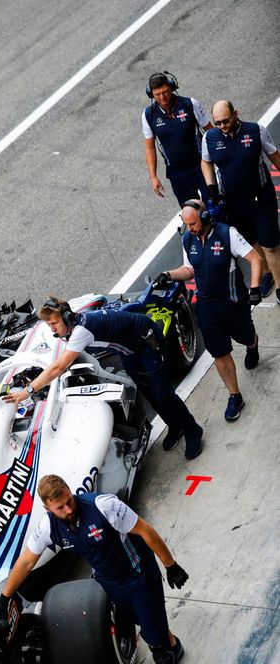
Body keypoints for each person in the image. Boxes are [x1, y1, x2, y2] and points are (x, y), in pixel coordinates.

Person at [0, 475, 190, 664]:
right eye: (60, 507)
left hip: (140, 577)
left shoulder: (104, 506)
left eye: (68, 501)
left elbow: (145, 530)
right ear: (47, 508)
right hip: (110, 584)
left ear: (69, 492)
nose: (68, 509)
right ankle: (173, 643)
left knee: (157, 647)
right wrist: (5, 597)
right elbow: (27, 561)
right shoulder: (49, 526)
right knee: (148, 624)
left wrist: (170, 565)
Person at [4, 296, 203, 459]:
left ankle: (193, 430)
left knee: (163, 394)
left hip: (147, 342)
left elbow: (58, 367)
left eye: (54, 323)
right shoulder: (75, 326)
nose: (52, 329)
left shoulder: (81, 331)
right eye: (49, 325)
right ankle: (175, 425)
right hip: (129, 351)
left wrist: (27, 391)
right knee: (148, 392)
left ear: (66, 317)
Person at [155, 199, 265, 422]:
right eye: (186, 224)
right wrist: (168, 274)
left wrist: (254, 288)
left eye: (194, 223)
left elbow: (254, 258)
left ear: (205, 217)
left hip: (233, 302)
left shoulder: (227, 235)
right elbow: (189, 270)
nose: (191, 229)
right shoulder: (188, 239)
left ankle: (252, 344)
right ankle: (235, 396)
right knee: (219, 353)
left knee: (245, 336)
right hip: (206, 306)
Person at [201, 100, 280, 301]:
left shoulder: (256, 131)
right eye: (217, 122)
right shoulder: (210, 138)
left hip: (261, 196)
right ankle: (266, 273)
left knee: (270, 244)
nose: (221, 126)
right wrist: (212, 188)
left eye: (225, 121)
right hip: (234, 201)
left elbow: (275, 157)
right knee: (251, 241)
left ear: (235, 113)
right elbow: (206, 161)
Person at [142, 71, 212, 206]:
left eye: (165, 92)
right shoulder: (148, 115)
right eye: (157, 94)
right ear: (151, 94)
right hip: (177, 173)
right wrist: (153, 177)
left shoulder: (190, 104)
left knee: (213, 206)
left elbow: (210, 130)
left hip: (201, 165)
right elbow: (150, 147)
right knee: (191, 211)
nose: (162, 97)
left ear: (172, 88)